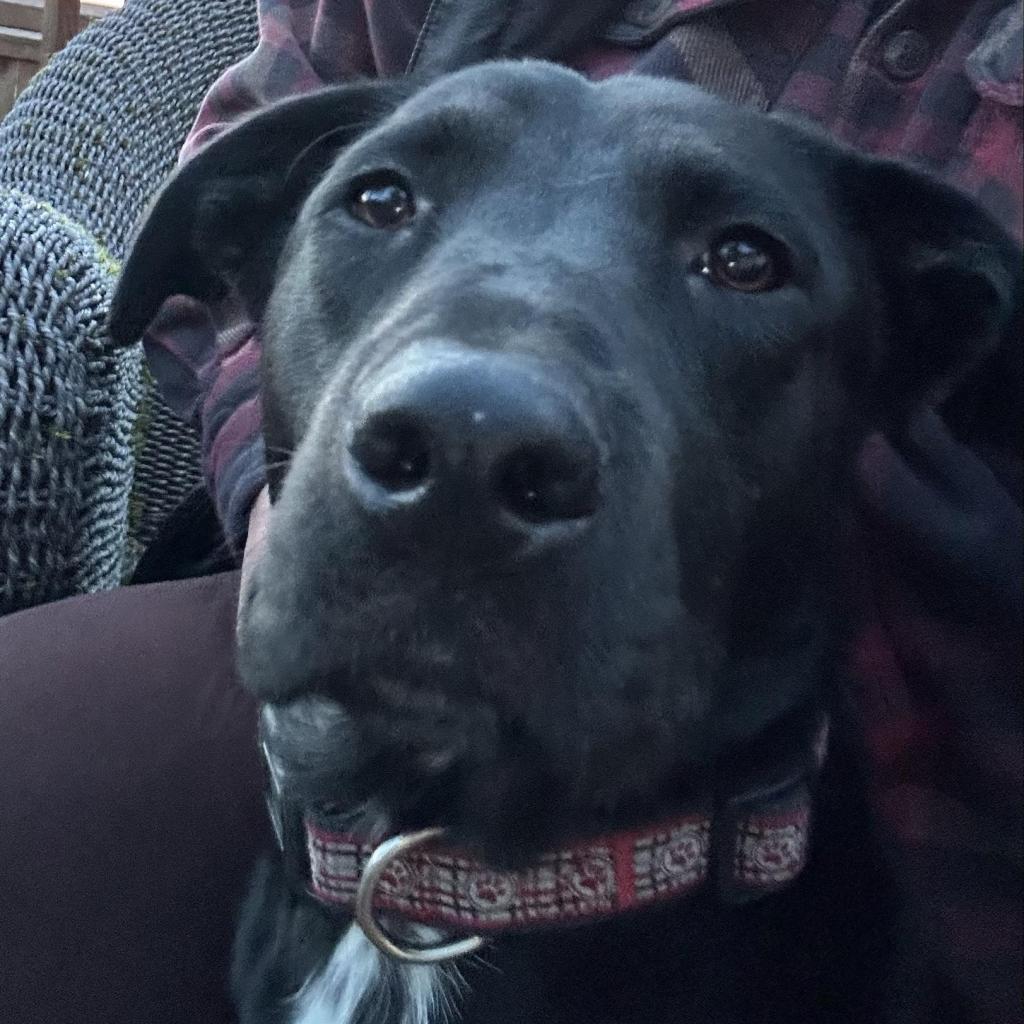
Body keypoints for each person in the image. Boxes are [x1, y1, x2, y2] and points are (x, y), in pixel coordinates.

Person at [0, 2, 1020, 1022]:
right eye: (383, 203)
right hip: (322, 794)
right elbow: (254, 200)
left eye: (741, 263)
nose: (471, 420)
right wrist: (277, 493)